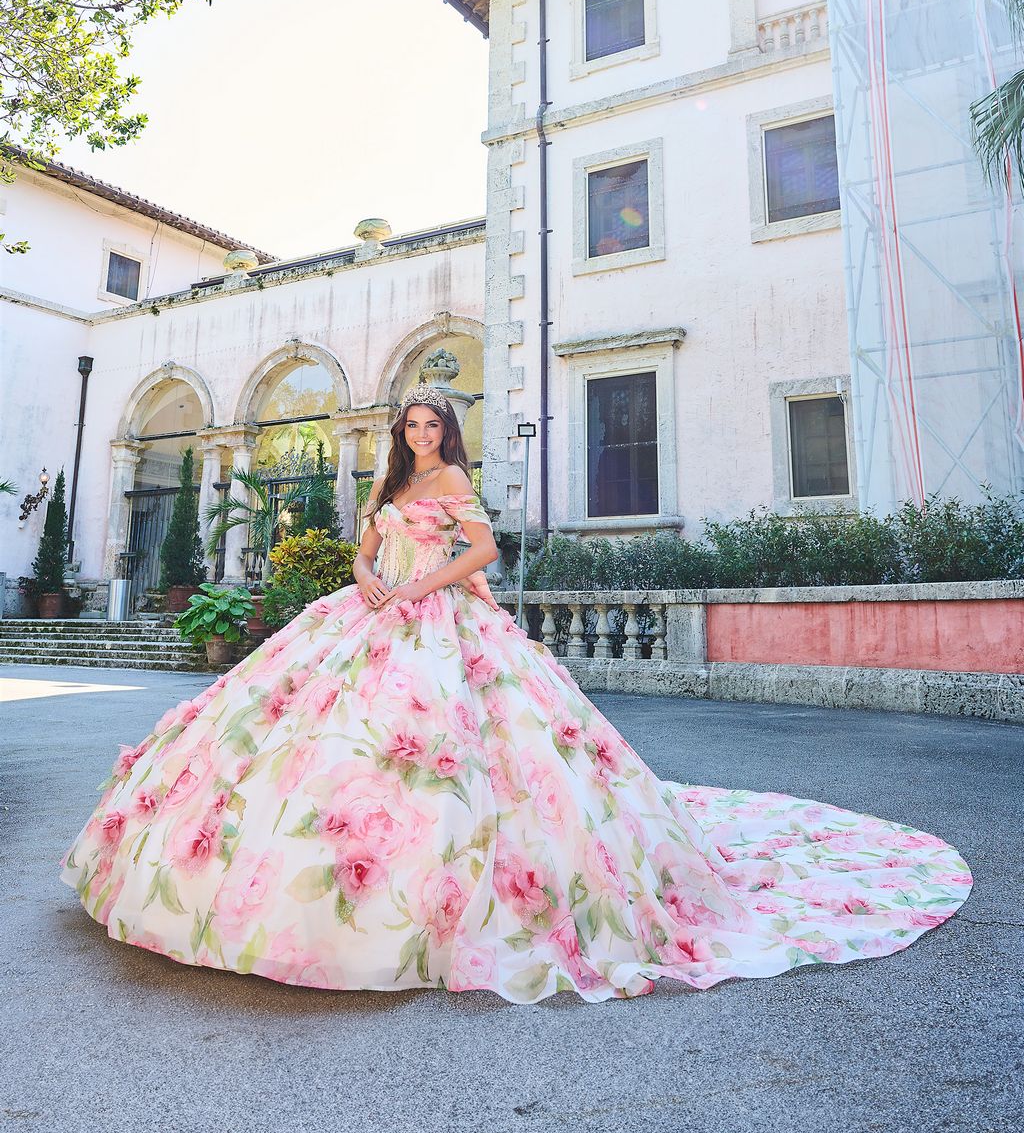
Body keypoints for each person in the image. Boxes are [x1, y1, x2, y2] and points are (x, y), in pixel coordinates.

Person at [60, 384, 972, 1004]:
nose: (422, 436)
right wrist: (367, 572)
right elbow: (365, 543)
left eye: (432, 425)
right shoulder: (389, 481)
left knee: (452, 748)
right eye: (412, 425)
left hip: (437, 620)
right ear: (399, 432)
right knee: (308, 741)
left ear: (446, 432)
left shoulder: (454, 480)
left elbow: (483, 553)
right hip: (367, 611)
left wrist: (416, 588)